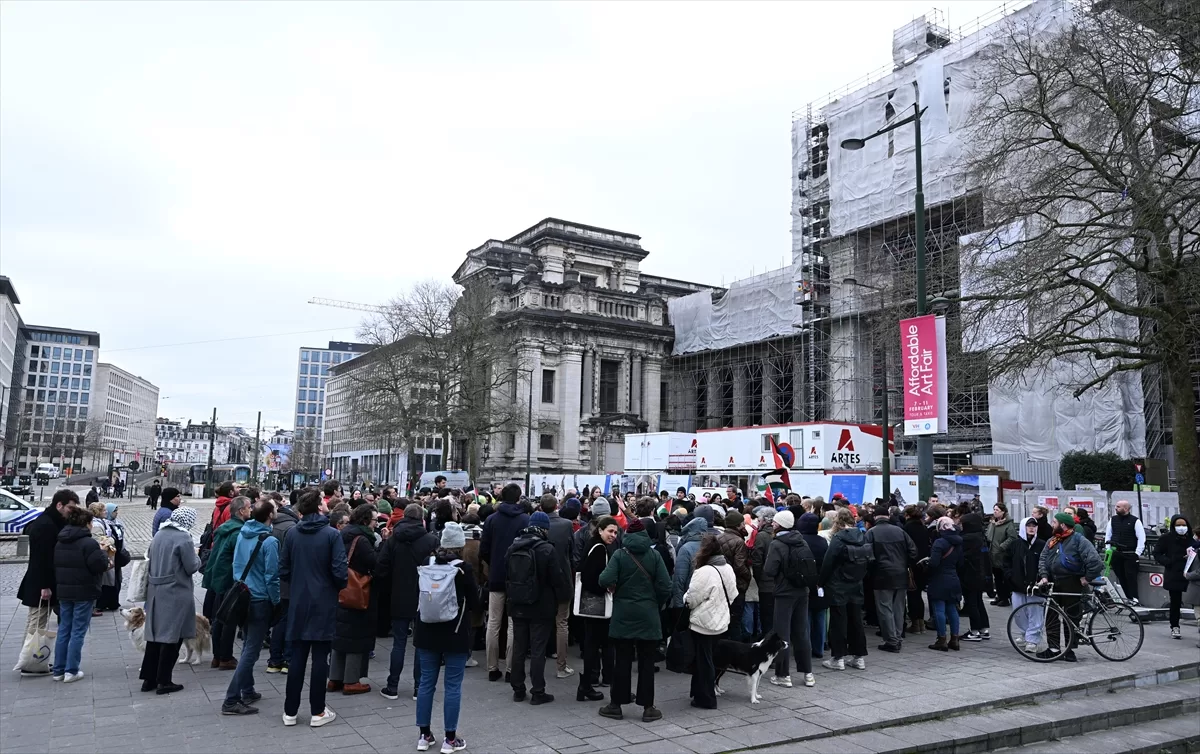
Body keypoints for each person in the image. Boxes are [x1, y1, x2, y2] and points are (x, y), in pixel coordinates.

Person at [281, 490, 349, 727]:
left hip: (299, 601)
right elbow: (340, 572)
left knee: (297, 656)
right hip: (323, 602)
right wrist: (332, 586)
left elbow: (284, 569)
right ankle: (317, 711)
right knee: (321, 658)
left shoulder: (292, 534)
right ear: (319, 508)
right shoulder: (331, 535)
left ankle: (290, 711)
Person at [597, 517, 671, 722]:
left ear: (627, 535)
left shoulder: (620, 555)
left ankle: (616, 705)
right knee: (647, 662)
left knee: (621, 660)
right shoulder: (654, 555)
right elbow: (666, 586)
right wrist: (654, 603)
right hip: (649, 615)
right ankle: (648, 707)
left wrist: (616, 587)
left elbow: (604, 579)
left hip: (623, 615)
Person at [414, 522, 479, 754]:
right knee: (452, 686)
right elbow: (474, 603)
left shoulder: (426, 563)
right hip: (455, 633)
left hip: (426, 631)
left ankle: (424, 735)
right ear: (460, 545)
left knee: (425, 684)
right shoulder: (464, 568)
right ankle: (450, 739)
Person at [221, 500, 281, 715]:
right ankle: (231, 699)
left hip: (242, 595)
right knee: (251, 651)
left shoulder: (243, 532)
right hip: (259, 599)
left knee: (247, 643)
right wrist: (276, 601)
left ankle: (248, 689)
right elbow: (272, 576)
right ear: (270, 515)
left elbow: (237, 564)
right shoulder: (270, 541)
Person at [506, 511, 570, 705]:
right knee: (537, 649)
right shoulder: (546, 549)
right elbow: (557, 579)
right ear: (544, 529)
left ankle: (518, 689)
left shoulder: (513, 547)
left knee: (519, 647)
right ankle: (538, 691)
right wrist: (562, 598)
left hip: (517, 604)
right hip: (541, 606)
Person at [380, 503, 439, 700]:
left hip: (399, 594)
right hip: (424, 596)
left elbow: (382, 567)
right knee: (420, 644)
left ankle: (392, 686)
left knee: (399, 643)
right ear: (421, 518)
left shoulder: (393, 539)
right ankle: (419, 687)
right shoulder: (431, 540)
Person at [140, 506, 202, 693]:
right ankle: (164, 680)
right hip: (175, 592)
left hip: (156, 590)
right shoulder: (184, 537)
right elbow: (191, 566)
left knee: (155, 636)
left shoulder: (159, 534)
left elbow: (150, 556)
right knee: (171, 637)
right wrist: (198, 556)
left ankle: (148, 679)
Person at [16, 489, 76, 674]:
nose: (72, 512)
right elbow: (41, 560)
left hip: (45, 582)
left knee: (37, 624)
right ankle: (30, 662)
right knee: (36, 624)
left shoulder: (52, 521)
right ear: (59, 505)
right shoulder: (45, 525)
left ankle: (33, 659)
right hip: (40, 584)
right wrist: (45, 586)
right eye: (70, 508)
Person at [52, 506, 111, 682]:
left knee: (64, 629)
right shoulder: (88, 543)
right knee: (78, 630)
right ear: (86, 523)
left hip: (64, 590)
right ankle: (71, 670)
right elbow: (98, 566)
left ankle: (58, 670)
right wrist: (102, 552)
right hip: (84, 591)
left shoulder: (60, 540)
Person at [479, 483, 530, 682]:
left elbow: (484, 549)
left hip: (496, 575)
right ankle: (511, 668)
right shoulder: (525, 519)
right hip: (518, 577)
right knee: (513, 623)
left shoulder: (491, 520)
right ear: (518, 498)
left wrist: (493, 565)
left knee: (493, 622)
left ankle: (492, 667)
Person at [1038, 512, 1104, 661]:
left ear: (1062, 525)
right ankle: (1054, 649)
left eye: (1054, 522)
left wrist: (1087, 578)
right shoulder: (1052, 540)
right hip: (1053, 583)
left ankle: (1069, 650)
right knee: (1051, 616)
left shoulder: (1079, 540)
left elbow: (1096, 561)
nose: (1052, 524)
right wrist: (1044, 576)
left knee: (1071, 617)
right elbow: (1043, 559)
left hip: (1072, 583)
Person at [763, 510, 817, 688]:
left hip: (784, 593)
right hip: (802, 592)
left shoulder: (777, 544)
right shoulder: (801, 540)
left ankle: (783, 675)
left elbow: (769, 570)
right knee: (802, 633)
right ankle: (808, 674)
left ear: (778, 525)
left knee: (782, 634)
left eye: (774, 523)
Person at [329, 505, 379, 695]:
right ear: (366, 520)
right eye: (374, 520)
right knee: (356, 637)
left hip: (341, 589)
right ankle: (351, 680)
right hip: (358, 592)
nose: (376, 524)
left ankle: (334, 678)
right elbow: (374, 563)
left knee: (340, 635)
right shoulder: (363, 540)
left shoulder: (342, 534)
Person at [684, 535, 737, 709]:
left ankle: (705, 698)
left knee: (703, 660)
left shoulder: (704, 571)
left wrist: (686, 598)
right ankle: (699, 693)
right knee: (709, 659)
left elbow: (691, 599)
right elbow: (734, 593)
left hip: (703, 623)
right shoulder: (728, 568)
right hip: (721, 621)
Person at [204, 496, 252, 669]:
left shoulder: (225, 528)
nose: (251, 510)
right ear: (241, 511)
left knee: (219, 617)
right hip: (230, 578)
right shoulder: (239, 532)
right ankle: (225, 657)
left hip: (218, 578)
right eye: (249, 507)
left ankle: (217, 656)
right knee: (229, 619)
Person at [820, 509, 869, 671]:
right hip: (856, 583)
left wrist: (821, 582)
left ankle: (838, 658)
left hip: (838, 585)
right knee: (856, 621)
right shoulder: (862, 537)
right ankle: (859, 657)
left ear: (837, 521)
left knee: (838, 621)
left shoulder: (838, 538)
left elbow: (828, 562)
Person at [577, 515, 619, 702]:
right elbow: (591, 578)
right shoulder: (599, 549)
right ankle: (587, 684)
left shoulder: (593, 544)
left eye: (616, 532)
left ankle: (586, 684)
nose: (613, 535)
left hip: (590, 605)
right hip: (597, 604)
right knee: (598, 644)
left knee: (593, 644)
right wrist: (607, 587)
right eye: (610, 531)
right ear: (600, 530)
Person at [866, 506, 918, 652]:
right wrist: (904, 564)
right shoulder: (900, 531)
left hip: (881, 576)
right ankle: (898, 637)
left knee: (885, 609)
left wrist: (873, 569)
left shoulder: (872, 533)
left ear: (875, 517)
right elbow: (913, 551)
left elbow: (867, 556)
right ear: (887, 516)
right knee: (898, 608)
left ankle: (891, 640)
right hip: (901, 574)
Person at [540, 493, 577, 680]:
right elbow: (572, 553)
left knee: (542, 622)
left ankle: (537, 666)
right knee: (562, 622)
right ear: (556, 506)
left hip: (541, 580)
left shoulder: (536, 523)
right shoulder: (566, 525)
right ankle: (561, 666)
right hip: (562, 578)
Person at [267, 495, 301, 674]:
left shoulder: (273, 526)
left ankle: (274, 660)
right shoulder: (292, 529)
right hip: (288, 582)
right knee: (288, 621)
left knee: (280, 621)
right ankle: (287, 659)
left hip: (276, 581)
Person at [1153, 515, 1197, 640]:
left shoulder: (1191, 538)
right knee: (1175, 602)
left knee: (1196, 601)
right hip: (1174, 573)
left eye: (1183, 525)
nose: (1181, 527)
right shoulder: (1166, 538)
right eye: (1178, 525)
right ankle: (1175, 626)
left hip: (1190, 573)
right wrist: (1169, 562)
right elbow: (1157, 553)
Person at [1006, 517, 1046, 652]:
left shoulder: (1042, 544)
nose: (1032, 528)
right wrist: (1010, 576)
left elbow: (1046, 563)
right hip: (1018, 585)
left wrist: (1042, 579)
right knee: (1019, 613)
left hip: (1036, 586)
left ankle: (1033, 640)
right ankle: (1025, 633)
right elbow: (1006, 561)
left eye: (1034, 526)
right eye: (1029, 526)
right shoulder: (1015, 544)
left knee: (1036, 612)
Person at [926, 517, 964, 652]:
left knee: (939, 610)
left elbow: (934, 563)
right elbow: (961, 563)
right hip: (953, 578)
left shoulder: (939, 543)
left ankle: (941, 640)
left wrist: (927, 566)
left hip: (939, 579)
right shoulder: (959, 542)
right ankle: (954, 639)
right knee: (952, 609)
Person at [796, 512, 829, 662]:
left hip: (804, 583)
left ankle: (806, 647)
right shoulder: (822, 541)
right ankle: (819, 647)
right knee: (820, 616)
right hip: (820, 583)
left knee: (806, 616)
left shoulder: (800, 541)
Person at [715, 510, 751, 641]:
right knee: (735, 622)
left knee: (722, 621)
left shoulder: (717, 538)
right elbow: (740, 566)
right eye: (742, 523)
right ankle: (735, 654)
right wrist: (748, 577)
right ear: (737, 525)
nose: (744, 525)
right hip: (736, 586)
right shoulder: (739, 541)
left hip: (721, 585)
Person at [1104, 500, 1146, 605]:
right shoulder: (1112, 520)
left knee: (1131, 576)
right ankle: (1127, 597)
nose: (1116, 508)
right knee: (1121, 576)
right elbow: (1108, 535)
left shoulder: (1135, 521)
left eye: (1118, 506)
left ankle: (1135, 598)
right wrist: (1108, 548)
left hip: (1130, 553)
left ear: (1126, 508)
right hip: (1116, 553)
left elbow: (1141, 538)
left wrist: (1137, 553)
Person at [959, 512, 991, 642]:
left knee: (971, 603)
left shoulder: (966, 539)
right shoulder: (980, 536)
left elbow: (963, 557)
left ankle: (974, 631)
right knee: (978, 602)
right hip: (981, 575)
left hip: (970, 575)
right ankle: (984, 628)